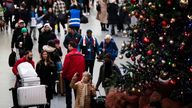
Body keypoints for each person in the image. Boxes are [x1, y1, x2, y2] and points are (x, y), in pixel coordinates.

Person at [62, 41, 85, 108]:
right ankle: (77, 106)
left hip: (69, 77)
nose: (68, 47)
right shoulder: (81, 55)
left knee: (68, 93)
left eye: (68, 46)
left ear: (71, 47)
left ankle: (69, 106)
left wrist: (63, 75)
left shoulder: (68, 55)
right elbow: (83, 67)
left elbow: (65, 67)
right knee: (77, 94)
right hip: (78, 78)